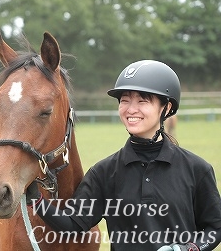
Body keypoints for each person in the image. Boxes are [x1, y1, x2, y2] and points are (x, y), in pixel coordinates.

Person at [26, 60, 221, 251]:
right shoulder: (104, 173)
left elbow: (215, 227)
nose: (131, 109)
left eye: (142, 101)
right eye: (125, 101)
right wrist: (36, 199)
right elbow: (74, 225)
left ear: (167, 108)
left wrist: (188, 248)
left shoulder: (197, 169)